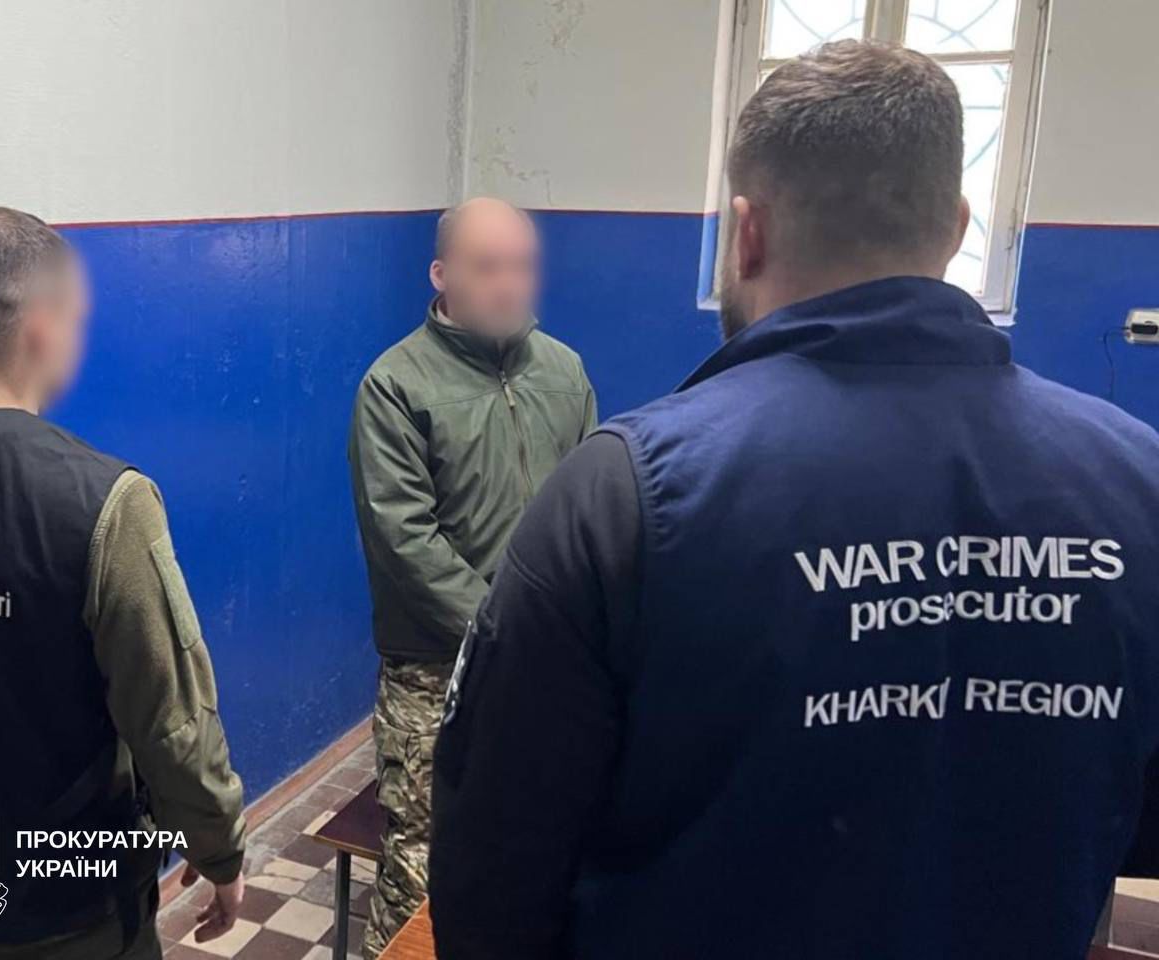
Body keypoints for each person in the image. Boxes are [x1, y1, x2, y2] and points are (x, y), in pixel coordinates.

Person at [430, 40, 1159, 960]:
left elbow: (493, 881)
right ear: (957, 226)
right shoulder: (1138, 484)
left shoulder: (626, 497)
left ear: (748, 233)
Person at [0, 208, 246, 959]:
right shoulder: (108, 502)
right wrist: (219, 850)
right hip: (64, 913)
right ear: (41, 328)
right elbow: (171, 725)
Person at [348, 196, 596, 957]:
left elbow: (592, 510)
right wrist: (504, 632)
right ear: (441, 274)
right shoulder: (395, 385)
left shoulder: (564, 371)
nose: (509, 284)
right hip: (434, 669)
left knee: (536, 849)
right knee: (421, 867)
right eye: (487, 266)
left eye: (521, 265)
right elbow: (405, 539)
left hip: (546, 662)